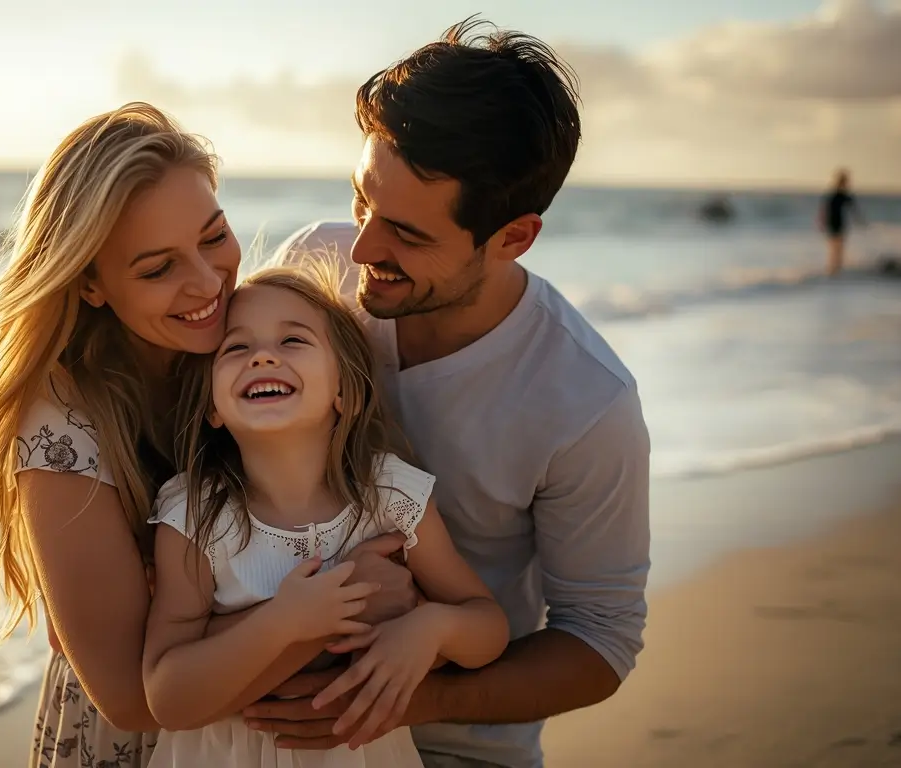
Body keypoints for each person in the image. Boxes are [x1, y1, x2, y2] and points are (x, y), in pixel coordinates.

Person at [0, 103, 412, 768]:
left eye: (214, 236)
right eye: (158, 268)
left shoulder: (243, 352)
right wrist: (346, 598)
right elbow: (132, 698)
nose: (207, 282)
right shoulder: (64, 428)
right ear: (91, 284)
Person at [245, 17, 652, 768]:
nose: (363, 249)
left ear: (513, 238)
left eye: (406, 233)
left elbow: (601, 641)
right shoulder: (317, 269)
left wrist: (408, 697)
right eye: (361, 201)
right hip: (254, 735)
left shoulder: (585, 403)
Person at [142, 264, 511, 767]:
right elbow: (169, 698)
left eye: (293, 340)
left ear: (345, 391)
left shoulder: (390, 497)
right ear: (213, 407)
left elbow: (487, 628)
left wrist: (430, 630)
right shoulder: (195, 516)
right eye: (236, 347)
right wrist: (286, 621)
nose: (263, 355)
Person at [819, 168, 864, 275]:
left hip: (836, 224)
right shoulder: (838, 195)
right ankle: (834, 270)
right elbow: (853, 209)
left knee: (836, 248)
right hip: (835, 224)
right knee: (836, 248)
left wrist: (822, 222)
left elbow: (853, 209)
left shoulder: (837, 195)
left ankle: (834, 270)